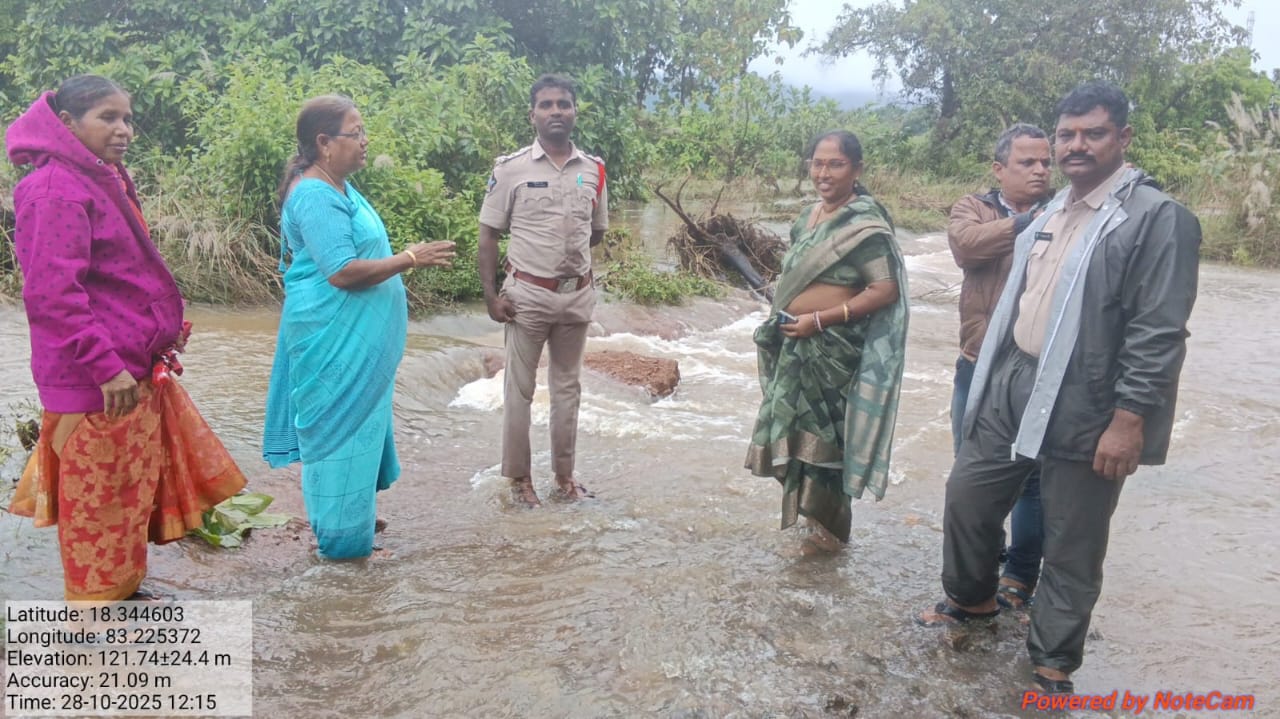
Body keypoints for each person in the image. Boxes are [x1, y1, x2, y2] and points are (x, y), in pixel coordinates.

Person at [918, 83, 1201, 695]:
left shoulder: (1156, 218)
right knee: (968, 494)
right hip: (1014, 374)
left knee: (1074, 535)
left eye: (1092, 133)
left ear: (1122, 139)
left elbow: (1159, 332)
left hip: (1091, 395)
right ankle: (972, 601)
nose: (1075, 146)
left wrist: (1130, 420)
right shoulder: (1050, 211)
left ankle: (1052, 662)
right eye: (1066, 135)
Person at [5, 75, 247, 600]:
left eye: (127, 118)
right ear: (66, 124)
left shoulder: (100, 178)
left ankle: (122, 600)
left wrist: (158, 328)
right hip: (96, 379)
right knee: (98, 506)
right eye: (107, 118)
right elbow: (52, 295)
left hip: (127, 368)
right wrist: (106, 365)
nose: (123, 130)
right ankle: (93, 627)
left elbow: (117, 275)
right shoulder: (55, 191)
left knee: (126, 494)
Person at [263, 95, 454, 559]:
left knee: (354, 434)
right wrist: (411, 259)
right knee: (338, 433)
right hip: (333, 344)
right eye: (356, 133)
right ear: (324, 143)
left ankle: (351, 523)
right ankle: (342, 552)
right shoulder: (313, 194)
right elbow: (342, 272)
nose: (365, 142)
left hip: (355, 346)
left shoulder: (338, 187)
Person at [745, 130, 909, 553]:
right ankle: (809, 528)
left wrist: (819, 320)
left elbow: (884, 290)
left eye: (835, 164)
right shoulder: (806, 218)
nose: (824, 172)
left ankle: (831, 536)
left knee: (826, 441)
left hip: (834, 351)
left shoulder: (865, 225)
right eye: (817, 163)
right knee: (797, 435)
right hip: (796, 347)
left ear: (857, 169)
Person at [478, 73, 607, 508]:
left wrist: (567, 272)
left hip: (577, 296)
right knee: (520, 390)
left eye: (564, 104)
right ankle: (518, 480)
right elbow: (489, 234)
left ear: (574, 111)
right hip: (526, 297)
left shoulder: (594, 169)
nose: (556, 111)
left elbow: (596, 232)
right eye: (547, 104)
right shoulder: (510, 168)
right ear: (532, 114)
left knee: (568, 388)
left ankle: (565, 477)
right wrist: (492, 296)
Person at [947, 123, 1053, 608]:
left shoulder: (1068, 213)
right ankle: (979, 571)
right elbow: (966, 246)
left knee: (1031, 477)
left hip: (1036, 366)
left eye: (1045, 162)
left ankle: (1021, 575)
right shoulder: (974, 207)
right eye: (1026, 163)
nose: (1039, 171)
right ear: (999, 168)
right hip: (977, 360)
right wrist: (1029, 223)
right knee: (970, 469)